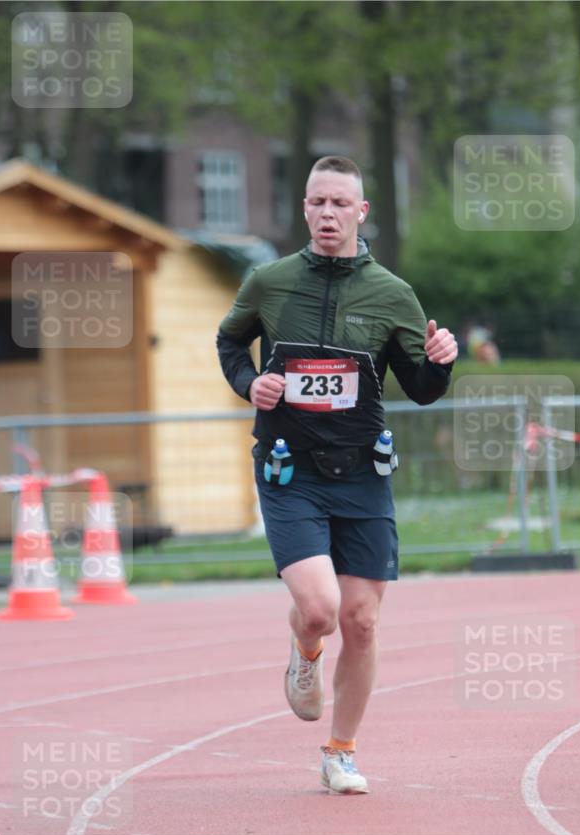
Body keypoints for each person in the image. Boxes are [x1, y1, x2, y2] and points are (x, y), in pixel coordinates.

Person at [216, 155, 457, 794]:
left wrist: (439, 362)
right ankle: (304, 652)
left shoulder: (392, 294)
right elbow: (229, 342)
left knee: (363, 620)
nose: (328, 214)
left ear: (360, 212)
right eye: (317, 203)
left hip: (361, 472)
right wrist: (252, 382)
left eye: (339, 204)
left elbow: (423, 388)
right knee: (320, 610)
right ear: (304, 209)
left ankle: (340, 753)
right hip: (289, 471)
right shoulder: (269, 281)